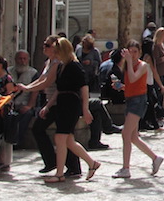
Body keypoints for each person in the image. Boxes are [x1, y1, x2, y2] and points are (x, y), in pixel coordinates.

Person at [40, 38, 101, 183]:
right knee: (68, 141)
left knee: (60, 137)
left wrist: (85, 109)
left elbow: (84, 87)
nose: (55, 54)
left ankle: (60, 173)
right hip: (62, 104)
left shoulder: (74, 66)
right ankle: (92, 163)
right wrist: (48, 106)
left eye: (57, 51)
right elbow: (57, 89)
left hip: (71, 105)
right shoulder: (62, 66)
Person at [21, 35, 82, 177]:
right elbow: (41, 79)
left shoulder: (58, 63)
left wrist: (27, 89)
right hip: (52, 102)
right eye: (44, 44)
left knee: (61, 135)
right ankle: (61, 164)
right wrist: (25, 87)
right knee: (64, 137)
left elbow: (48, 83)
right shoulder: (49, 62)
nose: (45, 47)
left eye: (48, 45)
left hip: (59, 103)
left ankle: (67, 165)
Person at [112, 40, 164, 179]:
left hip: (138, 101)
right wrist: (121, 86)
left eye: (135, 52)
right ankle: (155, 158)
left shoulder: (143, 65)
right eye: (131, 52)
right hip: (130, 99)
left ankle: (126, 168)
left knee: (125, 134)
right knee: (133, 137)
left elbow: (134, 78)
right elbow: (131, 83)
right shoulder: (129, 65)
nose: (133, 55)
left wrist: (128, 61)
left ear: (139, 53)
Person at [8, 49, 38, 145]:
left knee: (26, 114)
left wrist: (29, 105)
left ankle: (17, 141)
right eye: (20, 59)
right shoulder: (9, 71)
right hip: (10, 102)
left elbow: (35, 91)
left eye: (25, 59)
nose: (22, 61)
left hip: (25, 103)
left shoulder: (33, 73)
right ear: (16, 59)